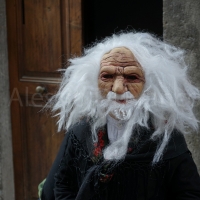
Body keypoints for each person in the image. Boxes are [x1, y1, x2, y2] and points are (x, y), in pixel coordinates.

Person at [40, 32, 200, 200]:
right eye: (107, 76)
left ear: (149, 85)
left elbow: (189, 194)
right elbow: (63, 184)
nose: (117, 88)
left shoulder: (167, 140)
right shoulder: (79, 133)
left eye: (131, 77)